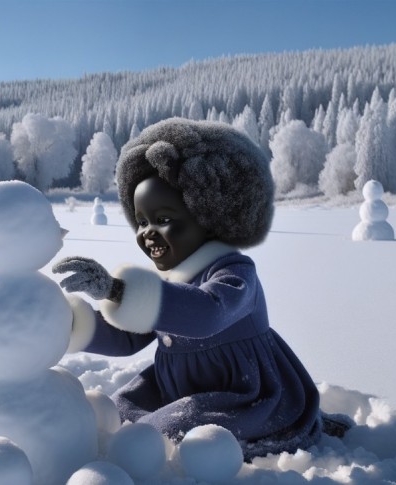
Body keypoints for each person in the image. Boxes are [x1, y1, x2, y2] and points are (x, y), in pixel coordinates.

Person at [54, 117, 347, 459]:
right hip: (179, 389)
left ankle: (302, 422)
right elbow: (128, 336)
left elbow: (207, 312)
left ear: (209, 215)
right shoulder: (163, 283)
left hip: (242, 391)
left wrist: (118, 291)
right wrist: (68, 324)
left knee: (167, 430)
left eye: (163, 220)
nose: (147, 232)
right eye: (142, 221)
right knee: (123, 409)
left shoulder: (235, 272)